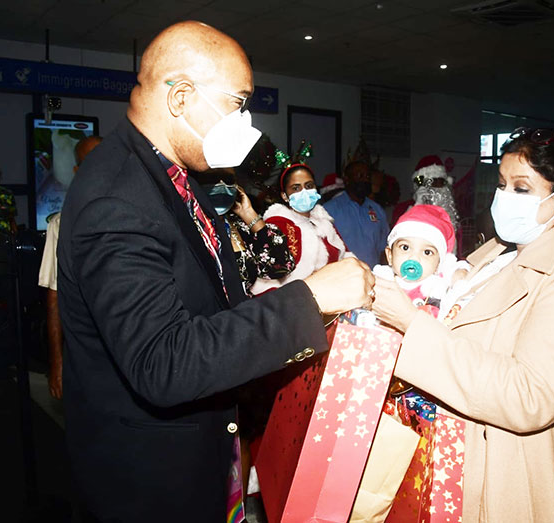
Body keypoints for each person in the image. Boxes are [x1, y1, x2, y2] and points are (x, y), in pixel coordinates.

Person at [56, 21, 373, 521]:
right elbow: (164, 362)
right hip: (153, 483)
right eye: (237, 103)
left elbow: (214, 297)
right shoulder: (116, 199)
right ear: (181, 98)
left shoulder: (175, 176)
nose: (245, 122)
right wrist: (309, 299)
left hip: (202, 452)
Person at [371, 127, 554, 522]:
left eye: (522, 188)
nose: (505, 198)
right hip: (453, 463)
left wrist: (411, 326)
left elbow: (530, 395)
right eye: (501, 184)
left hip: (517, 481)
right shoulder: (496, 251)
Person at [38, 135, 102, 399]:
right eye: (91, 162)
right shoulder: (62, 226)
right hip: (87, 354)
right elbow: (54, 298)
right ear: (78, 171)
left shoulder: (139, 212)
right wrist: (57, 362)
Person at [251, 162, 347, 293]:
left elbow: (344, 256)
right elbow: (269, 277)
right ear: (284, 195)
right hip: (296, 299)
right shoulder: (277, 224)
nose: (304, 192)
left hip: (333, 293)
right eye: (296, 188)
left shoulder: (324, 222)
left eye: (309, 186)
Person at [200, 169, 295, 296]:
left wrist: (248, 214)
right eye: (213, 179)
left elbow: (282, 266)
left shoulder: (239, 227)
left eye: (228, 180)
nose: (221, 185)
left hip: (246, 311)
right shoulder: (191, 228)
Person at [373, 204, 468, 318]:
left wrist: (458, 274)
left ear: (439, 263)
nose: (414, 257)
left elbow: (459, 273)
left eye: (427, 252)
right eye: (405, 247)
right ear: (390, 256)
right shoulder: (381, 281)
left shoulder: (438, 287)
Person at [324, 160, 390, 267]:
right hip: (341, 277)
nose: (365, 180)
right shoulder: (329, 210)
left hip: (373, 276)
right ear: (347, 180)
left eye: (368, 177)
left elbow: (384, 247)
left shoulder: (377, 210)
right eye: (360, 176)